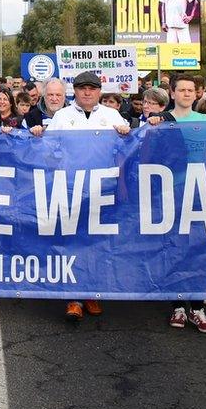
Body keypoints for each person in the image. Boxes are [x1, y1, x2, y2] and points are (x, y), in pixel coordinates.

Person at [43, 71, 129, 320]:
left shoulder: (111, 115)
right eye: (82, 88)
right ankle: (73, 297)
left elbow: (125, 150)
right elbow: (48, 150)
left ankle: (93, 292)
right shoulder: (62, 116)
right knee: (72, 241)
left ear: (99, 91)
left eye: (92, 88)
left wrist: (126, 134)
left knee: (98, 243)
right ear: (75, 92)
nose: (87, 92)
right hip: (71, 188)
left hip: (103, 189)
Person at [146, 75, 206, 329]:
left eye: (190, 90)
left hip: (198, 192)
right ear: (172, 93)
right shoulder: (162, 121)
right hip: (170, 192)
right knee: (173, 248)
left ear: (197, 93)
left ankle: (198, 307)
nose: (186, 94)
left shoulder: (204, 121)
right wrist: (152, 127)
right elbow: (146, 155)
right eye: (181, 90)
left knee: (199, 249)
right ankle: (178, 306)